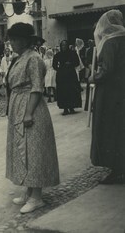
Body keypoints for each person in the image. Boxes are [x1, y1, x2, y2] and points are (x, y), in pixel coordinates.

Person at [6, 22, 59, 214]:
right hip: (18, 104)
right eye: (11, 39)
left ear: (24, 40)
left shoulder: (34, 58)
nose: (11, 42)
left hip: (31, 107)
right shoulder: (21, 58)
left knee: (33, 149)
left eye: (14, 39)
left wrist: (28, 112)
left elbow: (37, 87)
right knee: (22, 149)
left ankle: (37, 197)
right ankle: (29, 190)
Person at [89, 9, 125, 184]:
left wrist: (93, 77)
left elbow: (107, 70)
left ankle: (117, 168)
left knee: (111, 127)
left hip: (111, 93)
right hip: (121, 90)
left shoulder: (111, 42)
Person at [53, 40, 82, 115]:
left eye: (65, 45)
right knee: (63, 91)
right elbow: (54, 65)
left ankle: (72, 107)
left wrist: (71, 64)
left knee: (71, 90)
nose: (64, 46)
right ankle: (65, 108)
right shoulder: (58, 55)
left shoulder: (72, 53)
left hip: (71, 75)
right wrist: (60, 69)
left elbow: (77, 62)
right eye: (62, 45)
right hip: (62, 76)